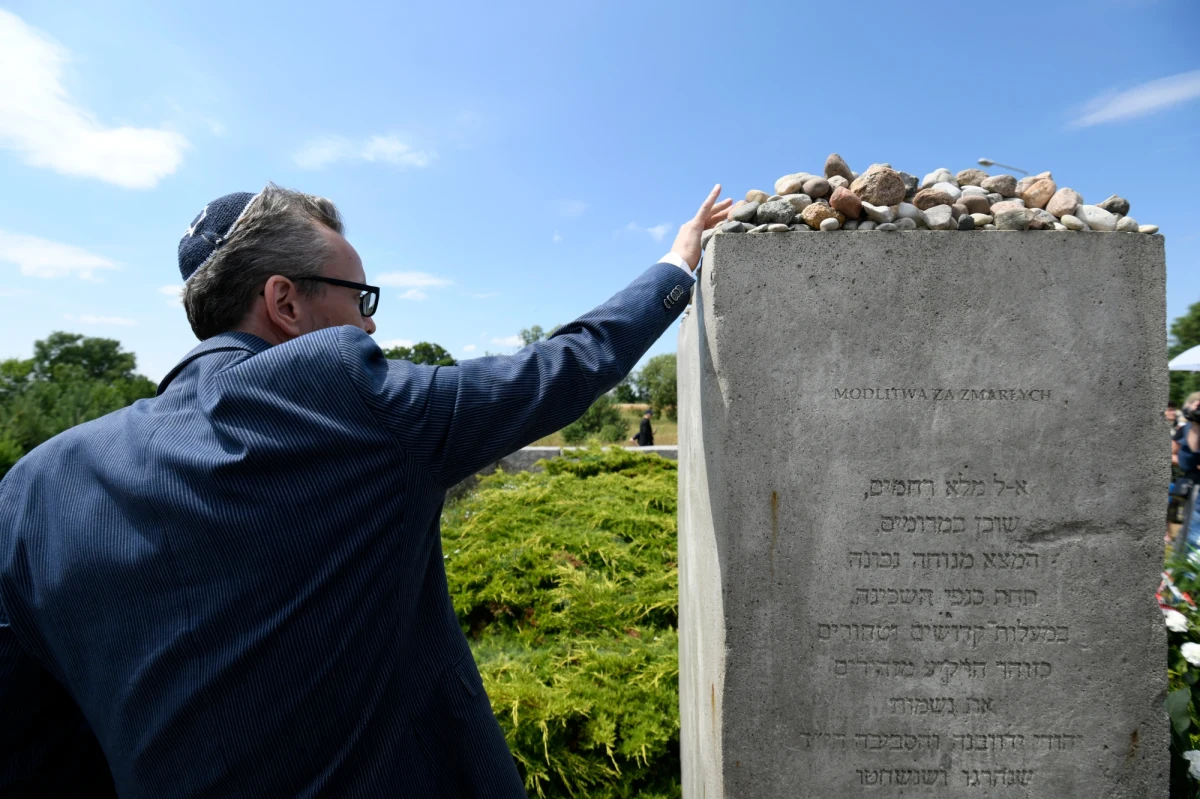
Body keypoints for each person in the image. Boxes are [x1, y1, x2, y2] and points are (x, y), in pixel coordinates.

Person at [0, 182, 732, 797]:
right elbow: (559, 368)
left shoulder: (34, 490)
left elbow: (33, 742)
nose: (371, 320)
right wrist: (675, 263)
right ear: (284, 301)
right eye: (360, 295)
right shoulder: (339, 394)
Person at [1177, 393, 1200, 548]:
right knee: (1192, 530)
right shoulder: (1189, 428)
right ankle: (1186, 570)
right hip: (1195, 483)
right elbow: (1186, 460)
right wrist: (1195, 422)